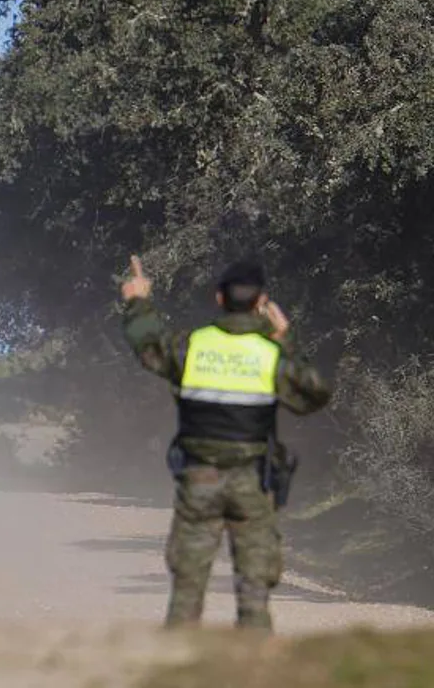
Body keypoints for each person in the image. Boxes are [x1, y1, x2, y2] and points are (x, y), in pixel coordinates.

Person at [119, 255, 332, 632]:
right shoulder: (271, 356)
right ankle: (250, 671)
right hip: (252, 484)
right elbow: (314, 394)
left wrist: (139, 299)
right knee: (254, 591)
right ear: (261, 302)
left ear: (219, 298)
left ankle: (180, 668)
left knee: (187, 586)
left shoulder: (193, 346)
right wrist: (286, 338)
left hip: (198, 480)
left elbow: (148, 346)